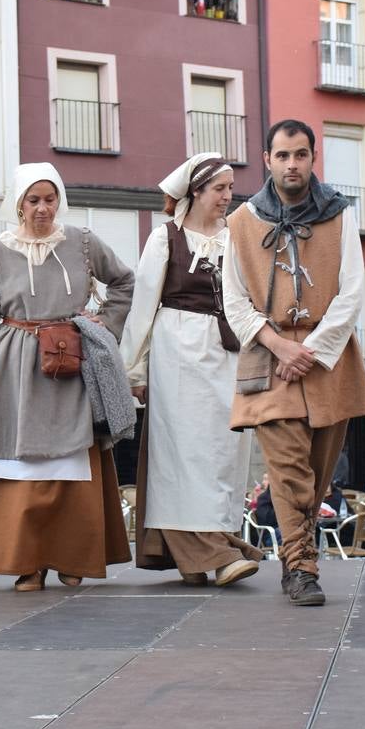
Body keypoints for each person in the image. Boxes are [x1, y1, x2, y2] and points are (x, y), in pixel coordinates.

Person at [0, 163, 135, 590]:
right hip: (13, 368)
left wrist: (103, 325)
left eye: (49, 199)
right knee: (21, 470)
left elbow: (125, 281)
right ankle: (28, 562)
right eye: (33, 200)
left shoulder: (83, 242)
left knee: (71, 465)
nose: (42, 208)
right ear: (19, 203)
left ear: (60, 200)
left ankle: (72, 557)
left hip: (71, 362)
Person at [223, 119, 365, 606]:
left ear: (312, 158)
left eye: (301, 155)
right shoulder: (242, 222)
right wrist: (280, 346)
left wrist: (312, 351)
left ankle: (300, 554)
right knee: (288, 469)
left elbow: (352, 291)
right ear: (267, 159)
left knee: (316, 470)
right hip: (270, 359)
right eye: (283, 155)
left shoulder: (339, 215)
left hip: (327, 358)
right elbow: (235, 300)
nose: (293, 164)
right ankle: (300, 566)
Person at [120, 153, 262, 588]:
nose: (227, 196)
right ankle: (211, 551)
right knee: (184, 453)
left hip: (227, 351)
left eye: (230, 187)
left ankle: (212, 542)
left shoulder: (238, 237)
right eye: (219, 188)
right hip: (177, 351)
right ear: (195, 192)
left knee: (225, 452)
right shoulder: (166, 238)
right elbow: (142, 308)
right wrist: (134, 372)